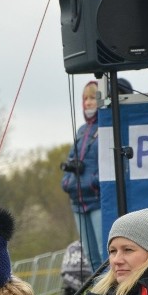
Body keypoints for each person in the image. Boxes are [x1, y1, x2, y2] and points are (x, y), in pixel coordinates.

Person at [60, 80, 102, 268]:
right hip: (78, 200)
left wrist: (93, 182)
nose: (88, 102)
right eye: (85, 98)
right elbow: (72, 158)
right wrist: (68, 182)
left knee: (104, 254)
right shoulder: (81, 131)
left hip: (97, 199)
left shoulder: (106, 128)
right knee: (91, 258)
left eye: (92, 97)